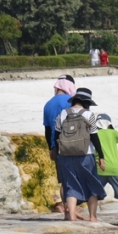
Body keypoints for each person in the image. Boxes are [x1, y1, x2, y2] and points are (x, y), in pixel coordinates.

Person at [54, 88, 106, 222]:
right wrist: (101, 156)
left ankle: (71, 216)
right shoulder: (89, 115)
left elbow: (56, 135)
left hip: (65, 155)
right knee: (92, 184)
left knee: (70, 185)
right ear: (86, 102)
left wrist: (59, 151)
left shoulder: (63, 113)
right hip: (85, 155)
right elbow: (94, 137)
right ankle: (92, 216)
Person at [43, 75, 77, 217]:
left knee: (64, 181)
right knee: (77, 178)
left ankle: (67, 212)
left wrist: (51, 148)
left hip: (57, 146)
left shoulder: (48, 104)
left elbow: (48, 130)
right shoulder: (71, 101)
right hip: (74, 144)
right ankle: (80, 211)